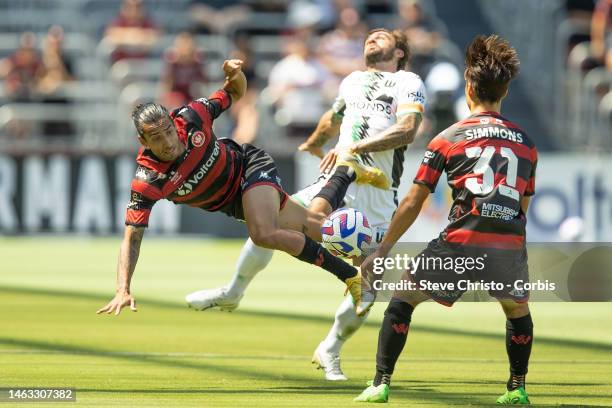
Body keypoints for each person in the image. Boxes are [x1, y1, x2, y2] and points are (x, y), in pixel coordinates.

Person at [185, 29, 427, 381]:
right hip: (337, 178)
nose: (372, 39)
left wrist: (356, 149)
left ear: (400, 52)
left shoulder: (408, 81)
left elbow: (408, 129)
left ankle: (330, 348)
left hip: (375, 196)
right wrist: (314, 143)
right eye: (369, 37)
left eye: (382, 37)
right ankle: (233, 292)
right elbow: (335, 117)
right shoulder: (353, 80)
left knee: (368, 287)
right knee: (267, 224)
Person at [96, 59, 386, 318]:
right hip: (233, 201)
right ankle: (347, 172)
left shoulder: (193, 116)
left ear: (174, 122)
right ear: (143, 141)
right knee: (316, 226)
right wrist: (123, 288)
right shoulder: (147, 180)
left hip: (249, 165)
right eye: (157, 138)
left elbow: (235, 92)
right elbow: (131, 239)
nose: (168, 142)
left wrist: (235, 73)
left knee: (263, 234)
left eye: (169, 131)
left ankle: (351, 277)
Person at [354, 35, 537, 404]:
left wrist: (383, 249)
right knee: (517, 310)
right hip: (507, 242)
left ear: (468, 88)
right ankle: (516, 388)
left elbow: (413, 200)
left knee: (402, 299)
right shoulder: (525, 142)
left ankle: (380, 383)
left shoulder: (448, 138)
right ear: (503, 92)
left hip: (460, 241)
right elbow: (524, 203)